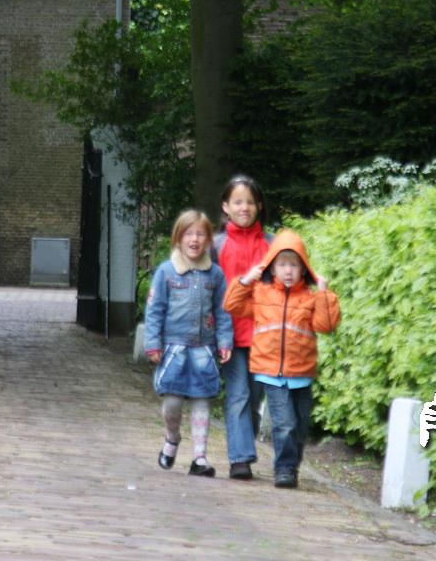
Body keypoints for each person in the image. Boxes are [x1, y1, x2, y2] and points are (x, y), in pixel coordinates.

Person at [223, 230, 341, 489]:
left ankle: (291, 467)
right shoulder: (261, 294)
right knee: (284, 424)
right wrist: (245, 281)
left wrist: (324, 294)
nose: (288, 271)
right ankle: (284, 469)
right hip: (271, 374)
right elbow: (232, 305)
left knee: (299, 428)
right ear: (272, 268)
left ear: (304, 269)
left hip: (302, 374)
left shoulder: (310, 298)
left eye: (294, 265)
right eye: (282, 264)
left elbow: (326, 325)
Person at [144, 210, 234, 477]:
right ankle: (172, 439)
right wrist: (153, 343)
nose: (194, 239)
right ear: (178, 238)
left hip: (204, 350)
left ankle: (200, 458)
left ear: (208, 240)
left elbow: (222, 311)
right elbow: (155, 310)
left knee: (201, 402)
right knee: (172, 401)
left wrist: (224, 342)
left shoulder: (215, 275)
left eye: (200, 234)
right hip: (174, 350)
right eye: (188, 234)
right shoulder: (166, 272)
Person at [211, 175, 273, 481]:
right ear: (226, 206)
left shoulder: (273, 244)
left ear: (259, 206)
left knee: (254, 397)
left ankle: (243, 451)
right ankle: (240, 460)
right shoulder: (216, 245)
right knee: (238, 394)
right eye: (238, 202)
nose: (244, 207)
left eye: (250, 202)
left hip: (264, 335)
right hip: (230, 334)